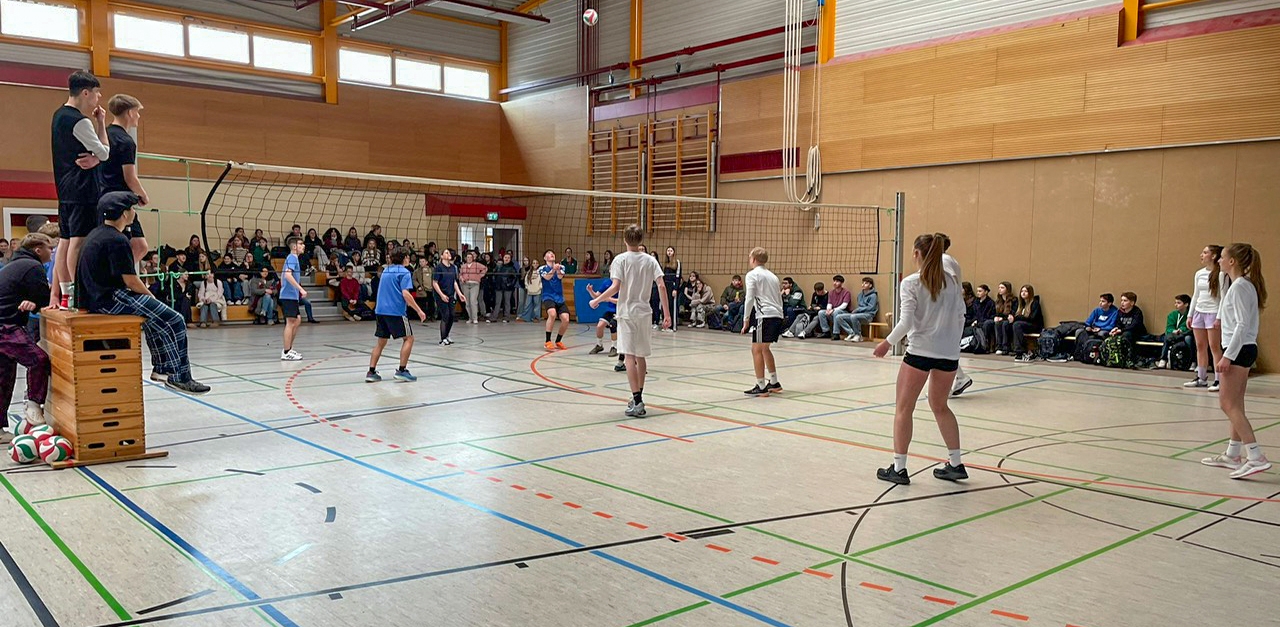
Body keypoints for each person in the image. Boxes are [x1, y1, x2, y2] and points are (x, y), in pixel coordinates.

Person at [77, 193, 208, 394]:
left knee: (152, 318)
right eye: (132, 208)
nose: (134, 212)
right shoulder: (117, 240)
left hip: (96, 298)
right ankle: (180, 377)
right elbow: (130, 280)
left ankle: (162, 369)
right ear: (124, 213)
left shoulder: (96, 234)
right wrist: (151, 297)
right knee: (175, 320)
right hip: (110, 298)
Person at [872, 233, 966, 485]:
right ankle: (956, 463)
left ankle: (899, 468)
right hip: (948, 354)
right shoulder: (954, 281)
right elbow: (961, 315)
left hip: (920, 352)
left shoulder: (911, 283)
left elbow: (906, 322)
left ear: (916, 254)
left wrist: (885, 344)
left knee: (904, 408)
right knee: (940, 406)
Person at [1201, 243, 1269, 479]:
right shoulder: (1240, 284)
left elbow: (1241, 324)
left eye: (1222, 258)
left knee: (1227, 404)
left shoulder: (1240, 287)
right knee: (1236, 404)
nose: (1218, 260)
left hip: (1238, 350)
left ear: (1232, 262)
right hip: (1244, 349)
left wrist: (1227, 356)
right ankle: (1233, 454)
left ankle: (1256, 456)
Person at [589, 225, 670, 416]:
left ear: (624, 239)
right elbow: (661, 286)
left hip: (626, 313)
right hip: (644, 312)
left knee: (629, 358)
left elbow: (615, 286)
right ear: (641, 240)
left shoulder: (620, 260)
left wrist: (597, 299)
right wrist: (666, 314)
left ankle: (638, 401)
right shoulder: (650, 260)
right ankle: (637, 397)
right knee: (640, 356)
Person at [51, 71, 110, 309]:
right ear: (85, 93)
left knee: (65, 242)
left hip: (65, 190)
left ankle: (66, 295)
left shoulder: (58, 115)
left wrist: (95, 157)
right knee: (77, 242)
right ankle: (76, 294)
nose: (98, 99)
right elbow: (105, 151)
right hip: (82, 190)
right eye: (96, 94)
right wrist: (101, 123)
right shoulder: (79, 121)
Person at [0, 233, 55, 434]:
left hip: (5, 323)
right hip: (6, 326)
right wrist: (38, 302)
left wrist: (33, 303)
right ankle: (33, 404)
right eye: (49, 247)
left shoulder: (16, 264)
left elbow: (35, 298)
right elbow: (46, 298)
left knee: (4, 379)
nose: (52, 251)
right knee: (38, 360)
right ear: (37, 250)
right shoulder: (33, 267)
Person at [99, 94, 150, 264]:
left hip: (101, 195)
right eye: (137, 112)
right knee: (138, 246)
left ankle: (118, 279)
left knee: (136, 245)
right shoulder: (126, 142)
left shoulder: (104, 133)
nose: (138, 116)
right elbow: (130, 177)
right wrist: (143, 195)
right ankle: (117, 279)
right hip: (119, 200)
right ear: (129, 113)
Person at [366, 247, 426, 383]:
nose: (409, 259)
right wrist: (419, 310)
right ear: (404, 258)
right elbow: (406, 294)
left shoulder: (386, 270)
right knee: (409, 339)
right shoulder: (404, 272)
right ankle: (402, 370)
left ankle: (371, 372)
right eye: (408, 256)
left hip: (380, 311)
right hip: (395, 311)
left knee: (381, 342)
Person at [740, 247, 785, 396]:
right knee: (765, 349)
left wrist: (746, 319)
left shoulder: (752, 275)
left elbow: (749, 298)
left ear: (753, 259)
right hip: (777, 315)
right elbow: (779, 298)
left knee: (756, 350)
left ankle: (761, 386)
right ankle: (774, 382)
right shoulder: (773, 276)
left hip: (765, 316)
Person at [1187, 245, 1228, 392]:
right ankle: (1201, 377)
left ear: (1214, 256)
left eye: (1205, 252)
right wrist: (1190, 314)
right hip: (1199, 311)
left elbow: (1223, 298)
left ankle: (1219, 380)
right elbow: (1196, 295)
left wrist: (1219, 317)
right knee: (1200, 346)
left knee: (1214, 347)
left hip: (1213, 312)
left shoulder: (1221, 274)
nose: (1202, 255)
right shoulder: (1199, 274)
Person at [940, 236, 973, 395]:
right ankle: (959, 377)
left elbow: (951, 279)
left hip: (952, 311)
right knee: (942, 348)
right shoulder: (948, 259)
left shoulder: (943, 259)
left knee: (943, 348)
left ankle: (957, 379)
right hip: (953, 310)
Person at [279, 236, 307, 361]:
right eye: (301, 244)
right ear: (295, 246)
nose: (303, 246)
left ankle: (289, 348)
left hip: (291, 295)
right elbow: (287, 275)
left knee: (297, 320)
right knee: (291, 322)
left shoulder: (294, 258)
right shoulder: (292, 257)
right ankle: (286, 352)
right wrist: (300, 289)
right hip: (288, 295)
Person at [539, 250, 571, 350]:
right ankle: (547, 341)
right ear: (545, 258)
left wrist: (556, 269)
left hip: (559, 297)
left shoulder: (561, 267)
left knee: (566, 319)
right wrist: (553, 269)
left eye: (553, 253)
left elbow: (560, 276)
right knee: (552, 314)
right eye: (548, 253)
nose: (551, 254)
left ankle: (558, 341)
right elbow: (547, 277)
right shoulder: (542, 268)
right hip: (548, 296)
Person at [432, 249, 465, 345]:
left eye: (449, 252)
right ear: (442, 256)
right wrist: (441, 295)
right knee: (445, 315)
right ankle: (442, 339)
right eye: (446, 252)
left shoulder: (453, 268)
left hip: (450, 294)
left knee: (452, 315)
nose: (448, 254)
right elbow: (435, 283)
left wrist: (459, 294)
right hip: (440, 295)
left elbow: (454, 282)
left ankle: (447, 335)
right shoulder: (438, 268)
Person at [586, 282, 622, 364]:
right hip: (609, 311)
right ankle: (599, 345)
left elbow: (622, 301)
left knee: (613, 324)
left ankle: (614, 347)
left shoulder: (621, 283)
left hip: (620, 310)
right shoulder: (607, 283)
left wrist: (609, 299)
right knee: (599, 326)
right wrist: (591, 291)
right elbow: (597, 296)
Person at [805, 275, 850, 340]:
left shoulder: (846, 292)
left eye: (837, 281)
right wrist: (828, 309)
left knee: (836, 312)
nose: (835, 283)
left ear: (842, 283)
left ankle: (836, 333)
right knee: (821, 312)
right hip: (833, 311)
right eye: (834, 281)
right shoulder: (831, 292)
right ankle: (826, 331)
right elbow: (829, 303)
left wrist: (833, 310)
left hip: (843, 312)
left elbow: (844, 305)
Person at [836, 277, 879, 342]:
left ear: (870, 285)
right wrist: (857, 311)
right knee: (839, 317)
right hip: (858, 315)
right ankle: (851, 333)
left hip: (868, 316)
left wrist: (858, 310)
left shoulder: (873, 296)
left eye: (866, 283)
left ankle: (858, 335)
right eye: (863, 283)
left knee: (854, 316)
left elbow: (871, 308)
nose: (863, 284)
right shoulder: (860, 295)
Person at [1158, 294, 1194, 370]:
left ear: (1186, 304)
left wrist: (1182, 330)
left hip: (1185, 334)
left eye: (1179, 303)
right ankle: (1163, 359)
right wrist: (1173, 330)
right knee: (1167, 337)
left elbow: (1191, 327)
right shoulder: (1172, 315)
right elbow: (1168, 328)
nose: (1176, 305)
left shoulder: (1190, 315)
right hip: (1175, 335)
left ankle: (1192, 361)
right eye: (1175, 303)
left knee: (1189, 338)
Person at [1010, 284, 1044, 362]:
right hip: (1023, 325)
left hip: (1034, 325)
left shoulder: (1034, 303)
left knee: (1017, 324)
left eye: (1026, 291)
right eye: (1022, 291)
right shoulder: (1019, 304)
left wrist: (1016, 318)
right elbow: (1014, 314)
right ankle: (1010, 348)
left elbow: (1032, 318)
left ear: (1030, 293)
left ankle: (1020, 351)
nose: (1023, 293)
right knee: (1009, 324)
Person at [458, 250, 487, 324]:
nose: (469, 258)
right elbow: (460, 274)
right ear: (465, 258)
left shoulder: (477, 264)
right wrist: (461, 278)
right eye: (468, 257)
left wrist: (479, 276)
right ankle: (470, 318)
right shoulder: (463, 266)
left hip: (475, 284)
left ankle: (475, 318)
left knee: (473, 301)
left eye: (470, 257)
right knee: (467, 302)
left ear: (473, 258)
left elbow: (485, 269)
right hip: (465, 284)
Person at [987, 282, 1016, 354]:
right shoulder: (998, 301)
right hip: (1000, 320)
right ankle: (998, 346)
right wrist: (995, 317)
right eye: (999, 288)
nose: (1000, 289)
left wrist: (1002, 318)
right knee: (997, 323)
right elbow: (995, 313)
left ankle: (1005, 347)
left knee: (1004, 324)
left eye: (1002, 288)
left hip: (1009, 320)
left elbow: (1012, 313)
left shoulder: (1013, 300)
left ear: (1007, 289)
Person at [489, 252, 518, 323]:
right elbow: (494, 275)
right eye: (505, 257)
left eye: (508, 258)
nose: (507, 259)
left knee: (507, 302)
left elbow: (514, 278)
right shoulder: (498, 266)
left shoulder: (512, 268)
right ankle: (494, 317)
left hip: (507, 288)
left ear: (510, 259)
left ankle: (506, 317)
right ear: (503, 258)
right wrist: (495, 283)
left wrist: (509, 284)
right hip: (498, 287)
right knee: (497, 302)